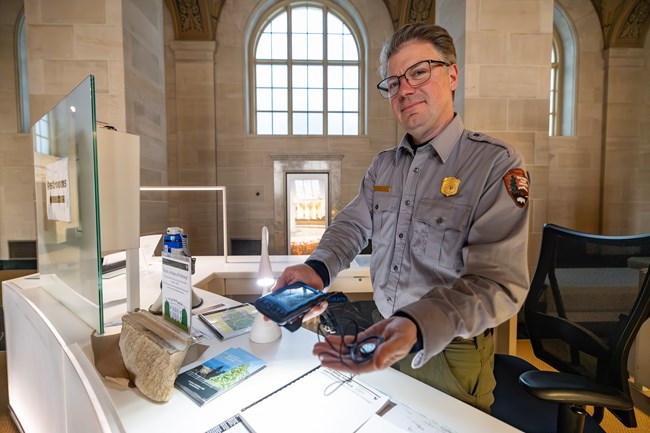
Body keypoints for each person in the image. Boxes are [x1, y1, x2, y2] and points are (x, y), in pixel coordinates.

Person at [272, 22, 530, 413]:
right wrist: (317, 268)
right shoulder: (383, 166)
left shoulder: (495, 163)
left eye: (419, 72)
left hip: (448, 351)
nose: (405, 89)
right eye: (393, 82)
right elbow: (353, 224)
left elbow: (499, 283)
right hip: (382, 328)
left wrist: (418, 324)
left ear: (453, 75)